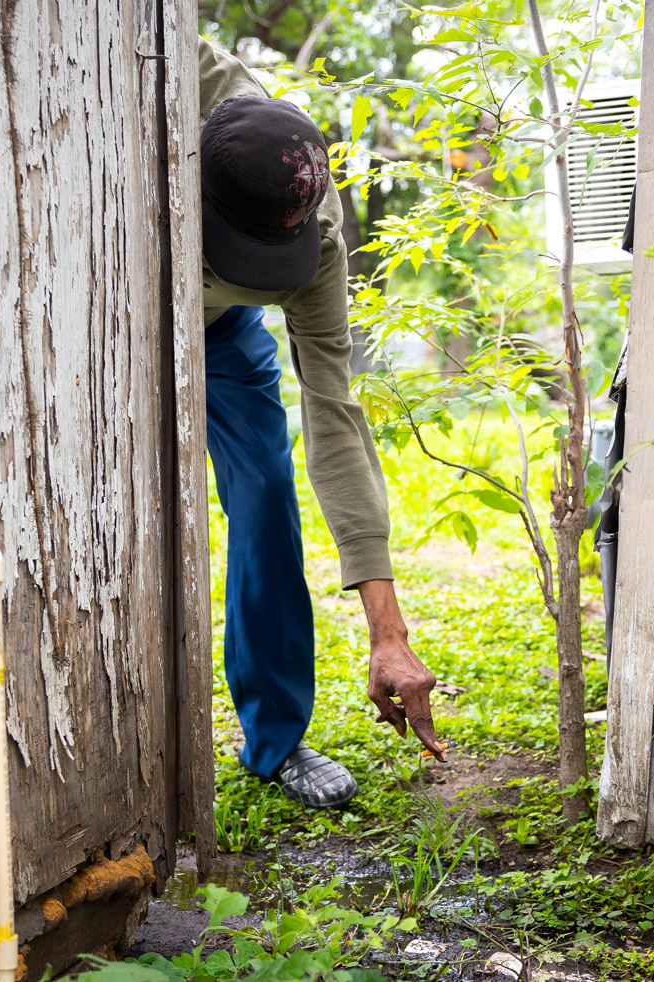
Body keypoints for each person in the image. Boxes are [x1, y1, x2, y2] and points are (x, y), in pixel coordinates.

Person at [196, 36, 444, 808]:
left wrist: (388, 633)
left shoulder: (316, 227)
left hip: (217, 328)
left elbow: (334, 413)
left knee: (267, 492)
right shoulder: (168, 80)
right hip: (101, 301)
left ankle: (274, 740)